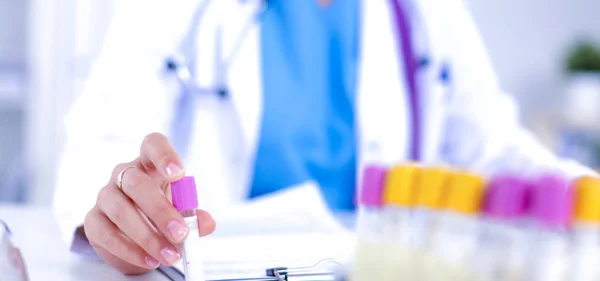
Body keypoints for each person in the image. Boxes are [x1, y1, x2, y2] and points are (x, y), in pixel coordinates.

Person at [53, 0, 596, 275]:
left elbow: (495, 149)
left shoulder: (426, 12)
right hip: (220, 270)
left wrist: (581, 193)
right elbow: (103, 141)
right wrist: (120, 211)